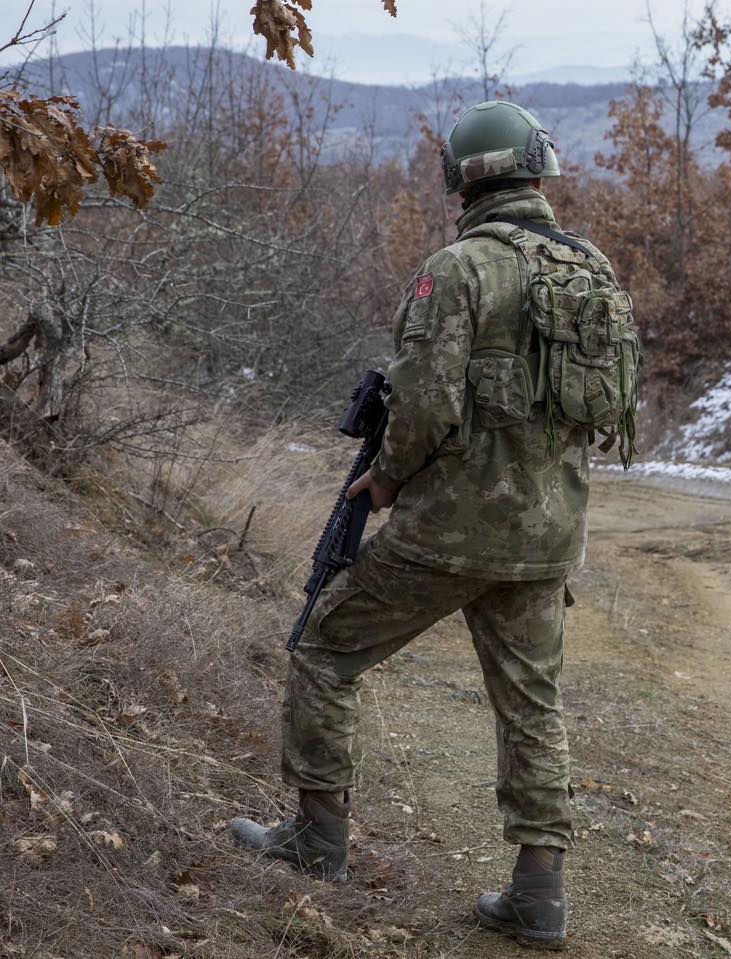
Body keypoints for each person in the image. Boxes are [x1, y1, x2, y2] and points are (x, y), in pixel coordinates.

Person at [231, 100, 637, 950]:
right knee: (531, 704)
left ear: (462, 178)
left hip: (447, 533)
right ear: (539, 168)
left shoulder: (456, 269)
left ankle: (317, 841)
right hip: (549, 537)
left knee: (325, 649)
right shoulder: (590, 268)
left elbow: (421, 404)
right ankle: (538, 894)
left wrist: (383, 480)